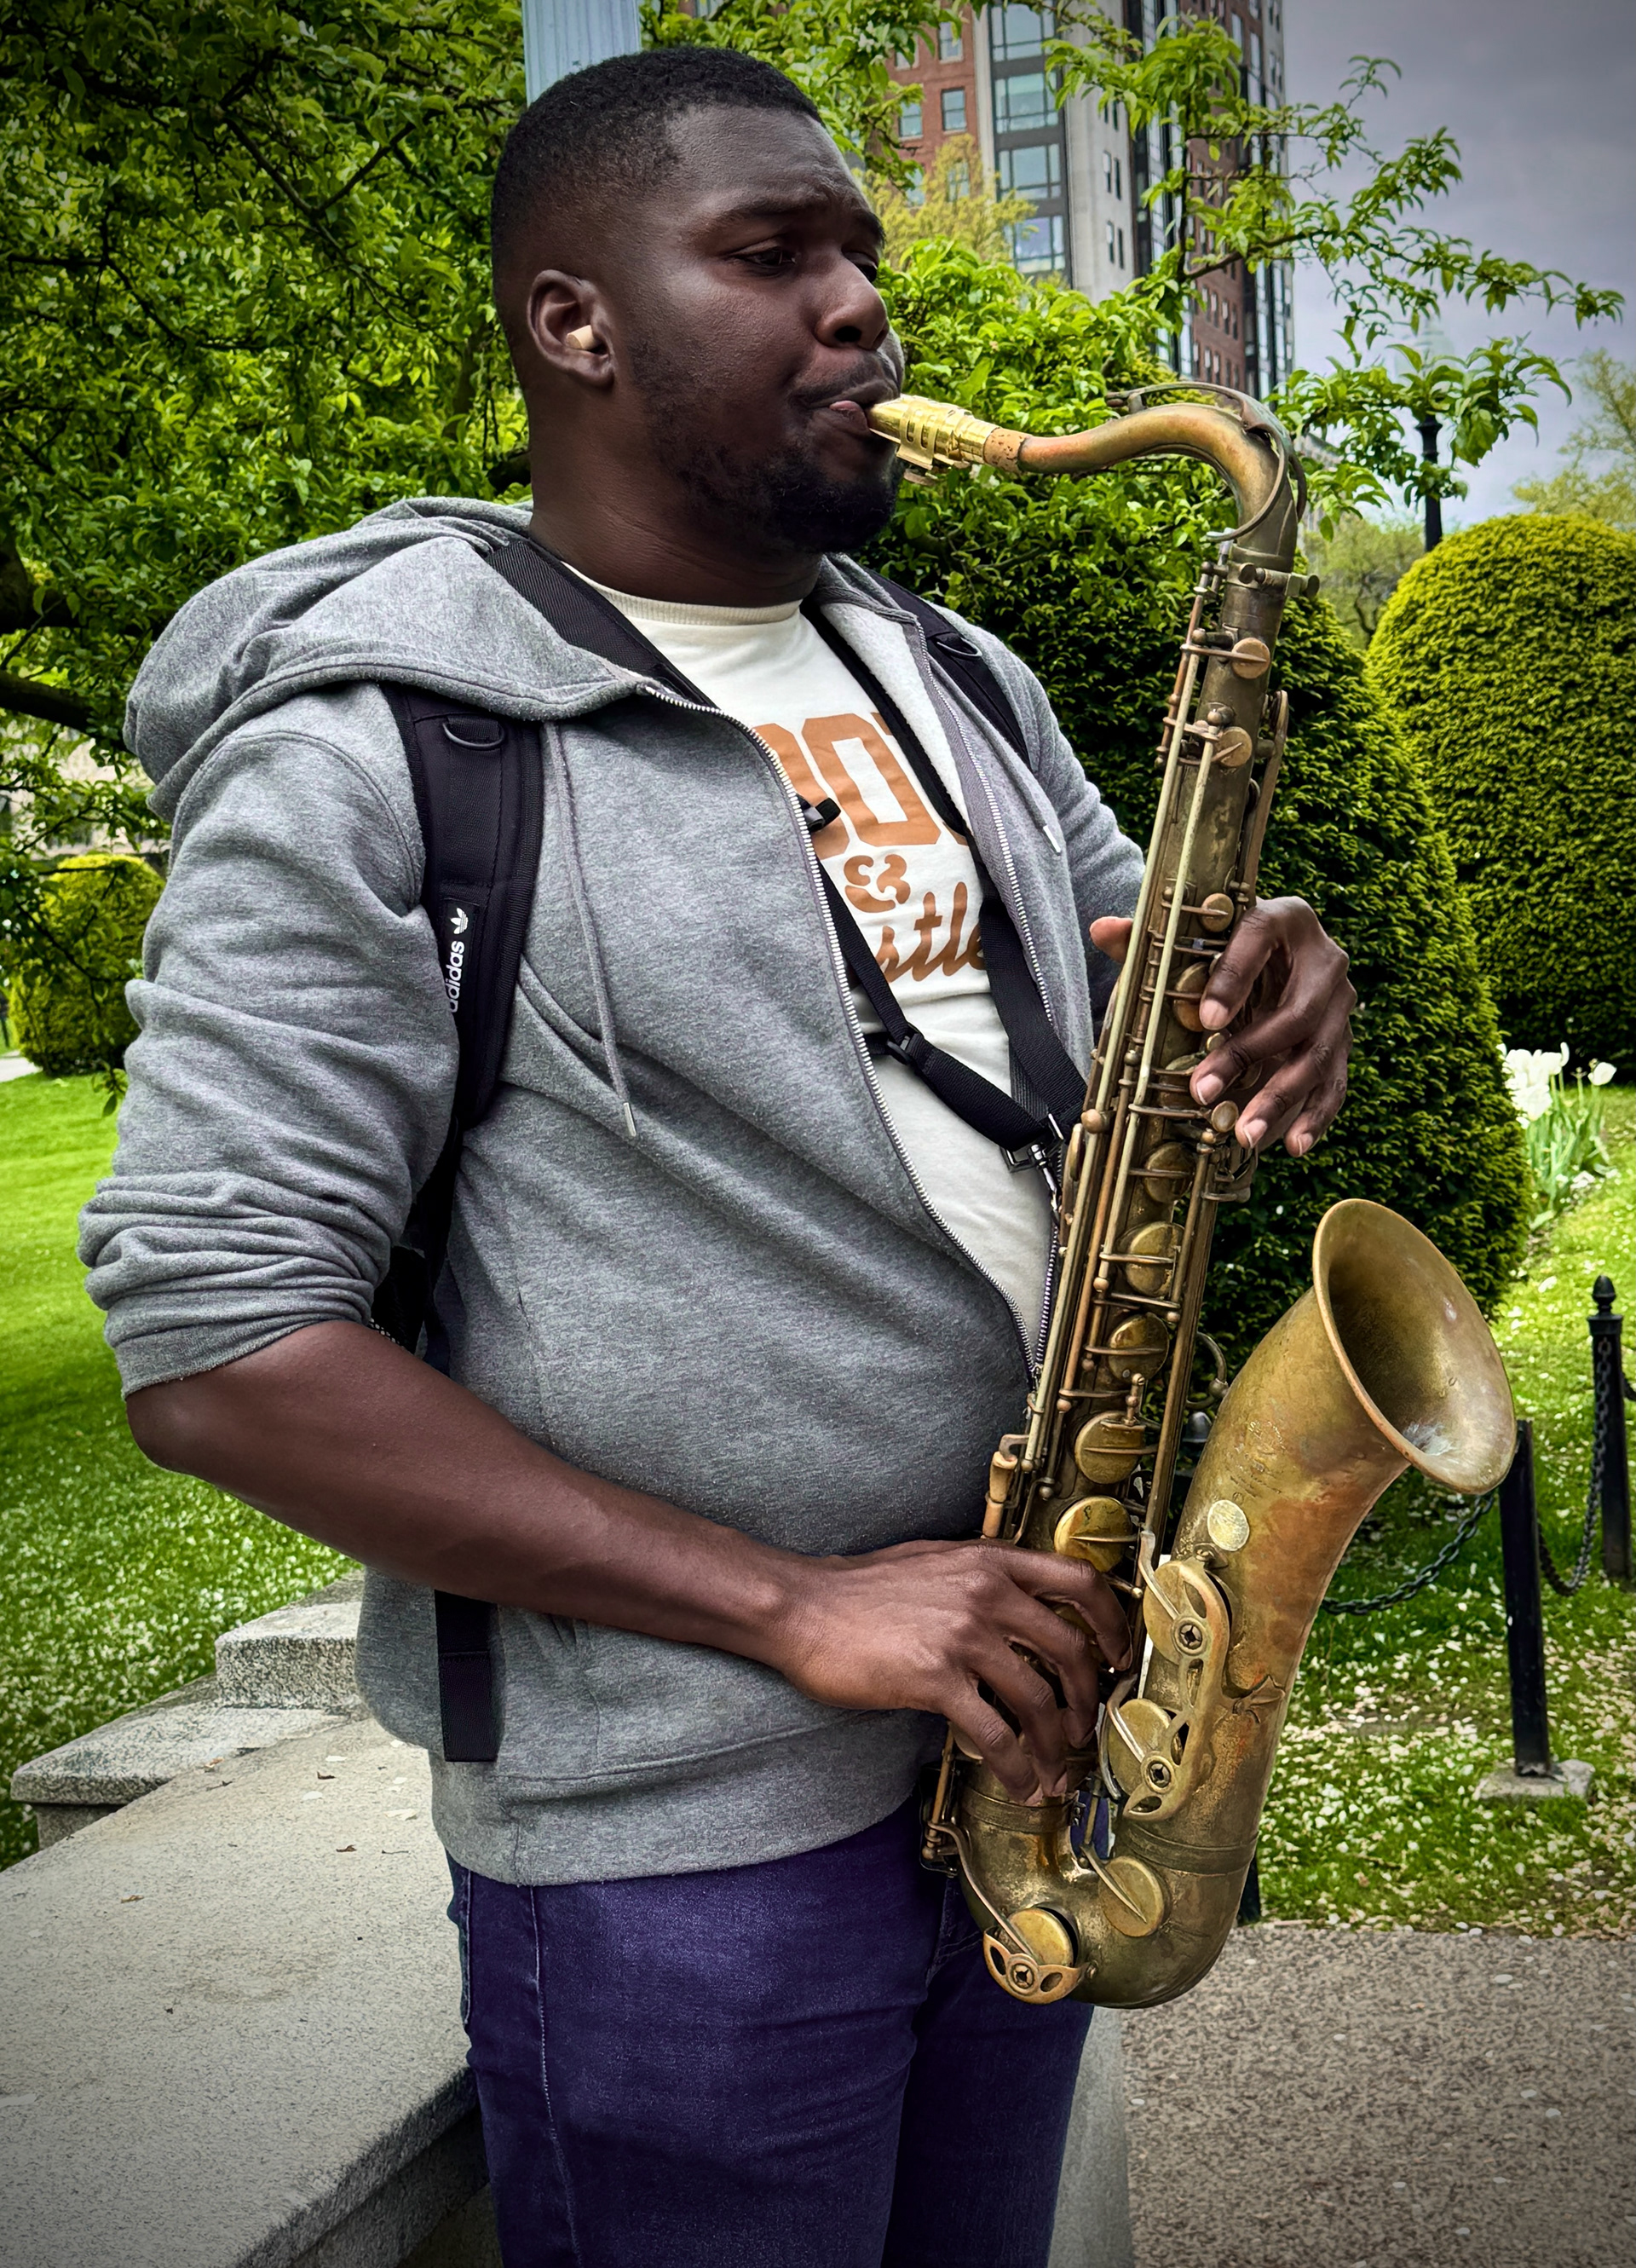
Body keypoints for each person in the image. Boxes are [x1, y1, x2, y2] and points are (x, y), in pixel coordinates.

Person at [82, 47, 1355, 2268]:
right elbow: (216, 1339)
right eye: (773, 254)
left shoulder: (943, 668)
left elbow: (1096, 954)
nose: (861, 304)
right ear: (573, 320)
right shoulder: (375, 743)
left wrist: (1243, 965)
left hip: (1025, 1748)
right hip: (677, 1847)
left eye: (860, 249)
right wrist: (800, 1605)